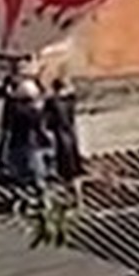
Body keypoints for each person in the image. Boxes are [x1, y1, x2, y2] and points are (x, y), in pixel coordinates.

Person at [8, 74, 53, 196]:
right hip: (31, 146)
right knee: (36, 175)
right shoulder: (33, 113)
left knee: (21, 176)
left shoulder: (16, 111)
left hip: (18, 145)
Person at [45, 73, 85, 201]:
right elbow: (73, 94)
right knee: (74, 169)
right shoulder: (69, 101)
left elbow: (48, 119)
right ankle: (78, 196)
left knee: (65, 169)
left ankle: (71, 195)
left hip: (61, 137)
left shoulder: (53, 102)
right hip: (70, 135)